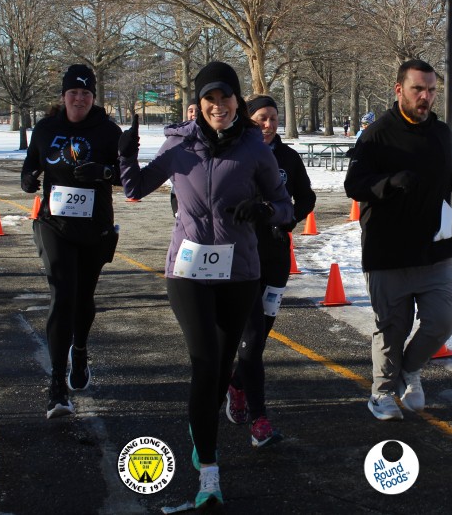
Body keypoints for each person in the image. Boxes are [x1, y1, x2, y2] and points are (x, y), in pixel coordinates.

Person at [119, 61, 293, 509]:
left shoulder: (255, 149)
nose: (218, 106)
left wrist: (263, 211)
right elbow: (135, 188)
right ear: (197, 103)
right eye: (209, 98)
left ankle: (203, 431)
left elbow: (285, 206)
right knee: (204, 362)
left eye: (225, 97)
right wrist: (126, 154)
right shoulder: (179, 145)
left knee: (220, 368)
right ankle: (209, 476)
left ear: (238, 101)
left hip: (239, 273)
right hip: (188, 272)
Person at [344, 59, 452, 421]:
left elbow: (436, 165)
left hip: (436, 246)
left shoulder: (441, 132)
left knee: (444, 318)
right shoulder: (376, 134)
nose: (425, 97)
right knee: (392, 329)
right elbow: (354, 185)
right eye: (418, 89)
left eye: (431, 90)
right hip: (389, 250)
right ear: (399, 89)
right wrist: (389, 183)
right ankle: (382, 392)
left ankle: (410, 370)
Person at [20, 64, 123, 420]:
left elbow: (126, 176)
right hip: (55, 225)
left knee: (83, 299)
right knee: (62, 295)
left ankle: (79, 351)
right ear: (63, 96)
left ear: (93, 96)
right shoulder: (47, 128)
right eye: (73, 93)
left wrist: (104, 172)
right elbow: (31, 164)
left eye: (86, 93)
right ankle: (56, 385)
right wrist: (27, 180)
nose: (79, 99)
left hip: (94, 227)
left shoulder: (108, 131)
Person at [225, 94, 315, 448]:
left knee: (263, 331)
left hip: (276, 255)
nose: (268, 124)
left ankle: (237, 382)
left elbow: (306, 197)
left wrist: (289, 218)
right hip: (241, 256)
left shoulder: (288, 157)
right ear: (247, 119)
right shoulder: (234, 154)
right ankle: (258, 418)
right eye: (261, 118)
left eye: (274, 118)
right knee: (251, 335)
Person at [169, 103, 198, 216]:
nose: (194, 114)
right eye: (191, 111)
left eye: (197, 111)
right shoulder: (178, 136)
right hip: (181, 189)